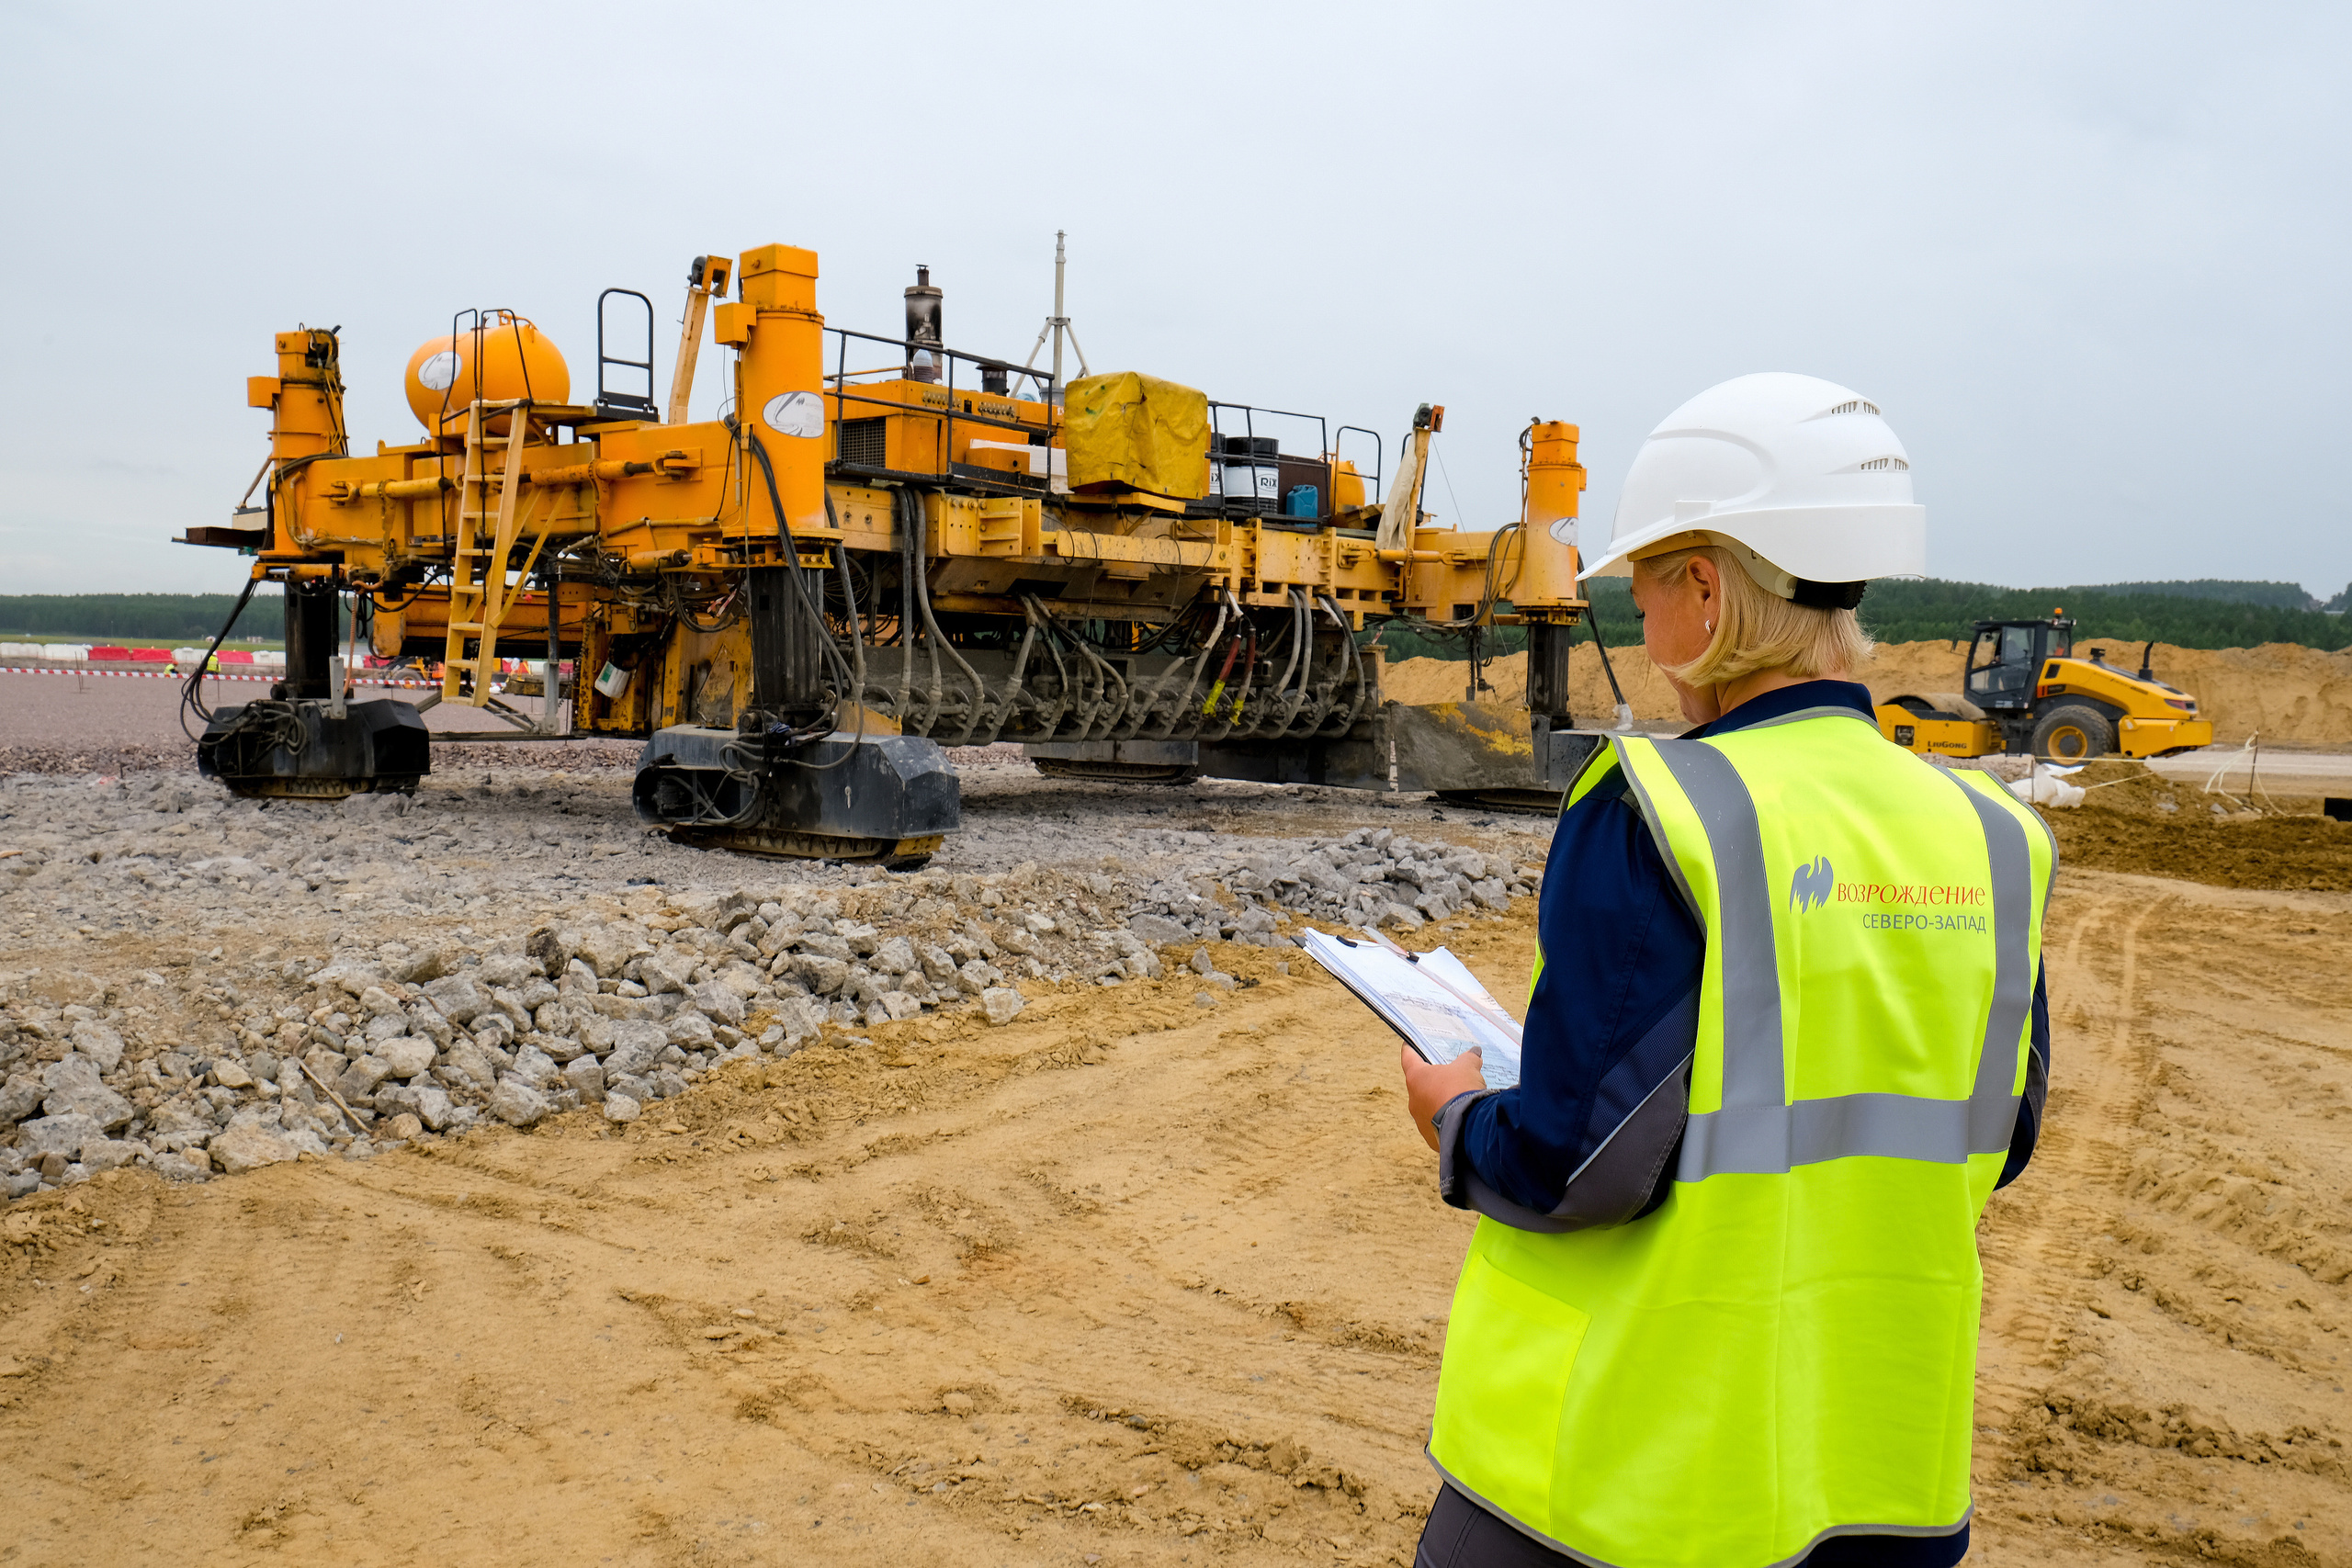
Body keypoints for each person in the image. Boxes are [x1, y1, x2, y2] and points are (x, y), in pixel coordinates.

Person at [1397, 374, 2053, 1568]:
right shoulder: (1992, 838)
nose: (1643, 632)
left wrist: (1454, 1120)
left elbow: (1573, 1161)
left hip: (1624, 1494)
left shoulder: (1662, 811)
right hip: (1878, 1480)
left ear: (1704, 590)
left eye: (1647, 591)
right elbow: (1996, 1136)